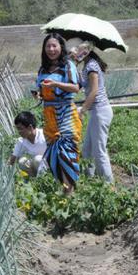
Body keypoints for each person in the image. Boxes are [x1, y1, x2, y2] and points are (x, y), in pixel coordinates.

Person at [36, 33, 82, 194]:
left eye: (54, 45)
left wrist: (56, 83)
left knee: (67, 152)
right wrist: (38, 94)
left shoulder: (68, 66)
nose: (51, 49)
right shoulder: (42, 69)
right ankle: (65, 190)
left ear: (61, 47)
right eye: (48, 46)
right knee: (53, 155)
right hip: (49, 116)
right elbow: (40, 89)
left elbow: (75, 87)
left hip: (66, 113)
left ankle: (69, 192)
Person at [71, 39, 114, 183]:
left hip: (100, 111)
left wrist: (82, 110)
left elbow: (94, 91)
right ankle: (89, 180)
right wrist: (71, 63)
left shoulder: (91, 66)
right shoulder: (87, 65)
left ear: (85, 52)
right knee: (88, 149)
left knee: (99, 152)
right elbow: (78, 86)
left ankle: (109, 186)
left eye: (79, 51)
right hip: (96, 112)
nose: (77, 53)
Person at [7, 111, 47, 176]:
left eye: (20, 129)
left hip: (50, 165)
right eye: (17, 129)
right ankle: (35, 178)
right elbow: (13, 158)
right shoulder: (21, 141)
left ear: (30, 127)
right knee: (22, 161)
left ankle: (43, 179)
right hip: (36, 166)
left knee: (38, 159)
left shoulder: (45, 135)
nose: (19, 132)